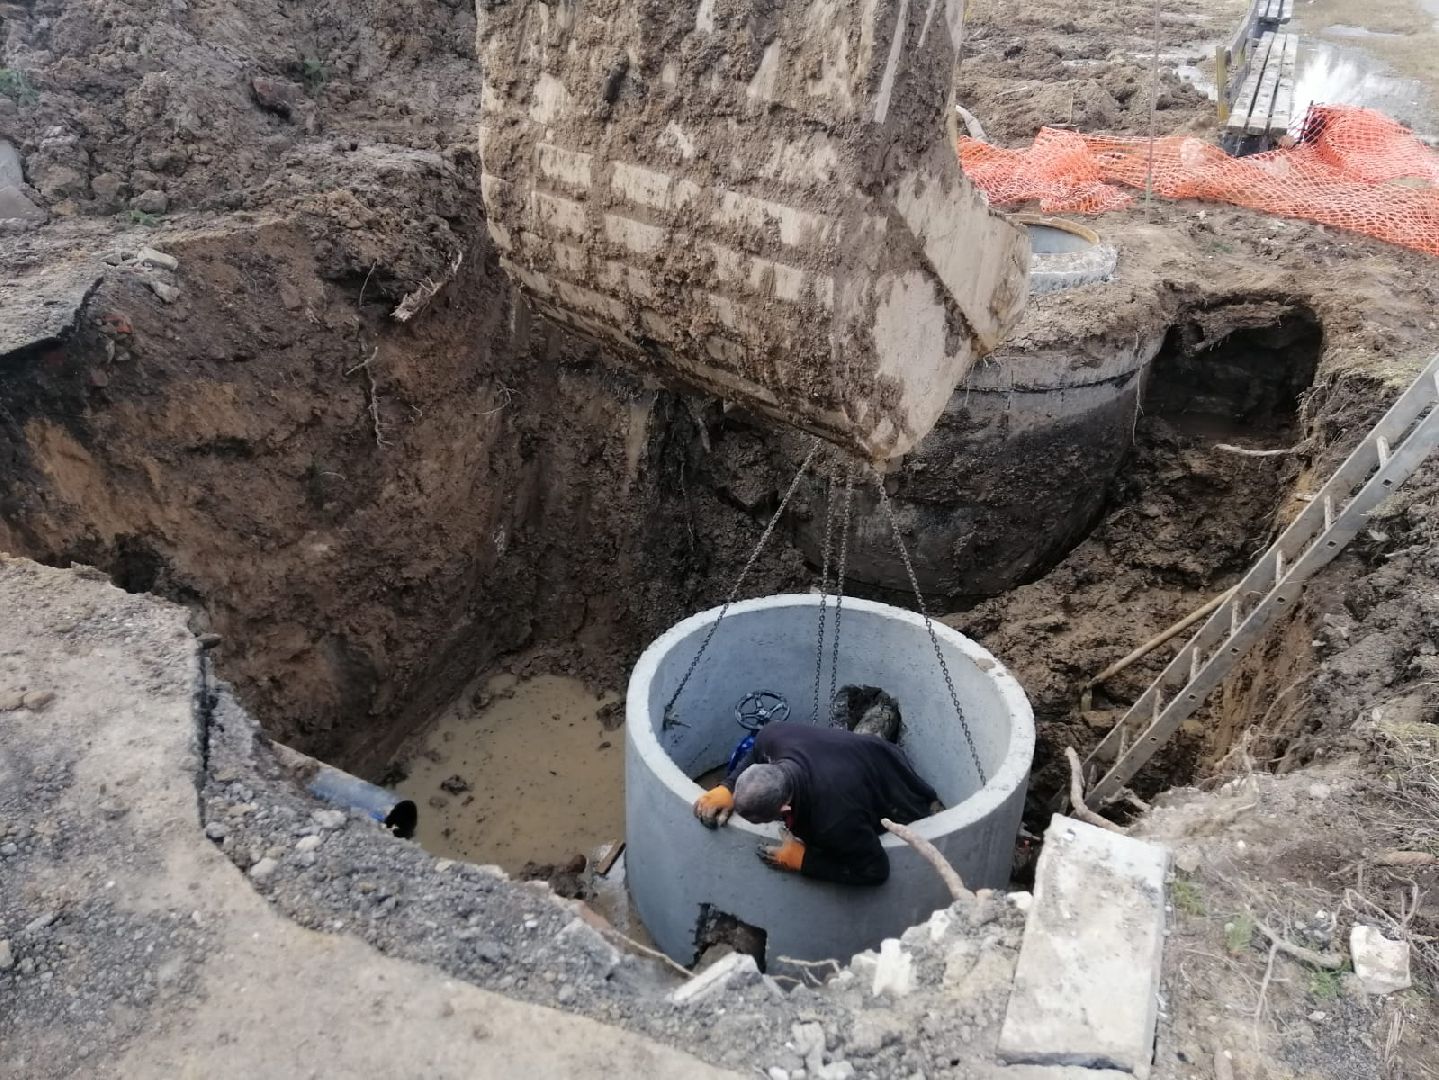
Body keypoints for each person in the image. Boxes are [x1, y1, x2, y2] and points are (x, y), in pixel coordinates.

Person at [691, 719, 940, 885]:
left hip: (899, 789)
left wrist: (804, 861)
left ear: (784, 809)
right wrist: (729, 787)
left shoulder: (833, 820)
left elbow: (875, 870)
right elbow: (756, 751)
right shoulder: (772, 737)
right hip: (860, 754)